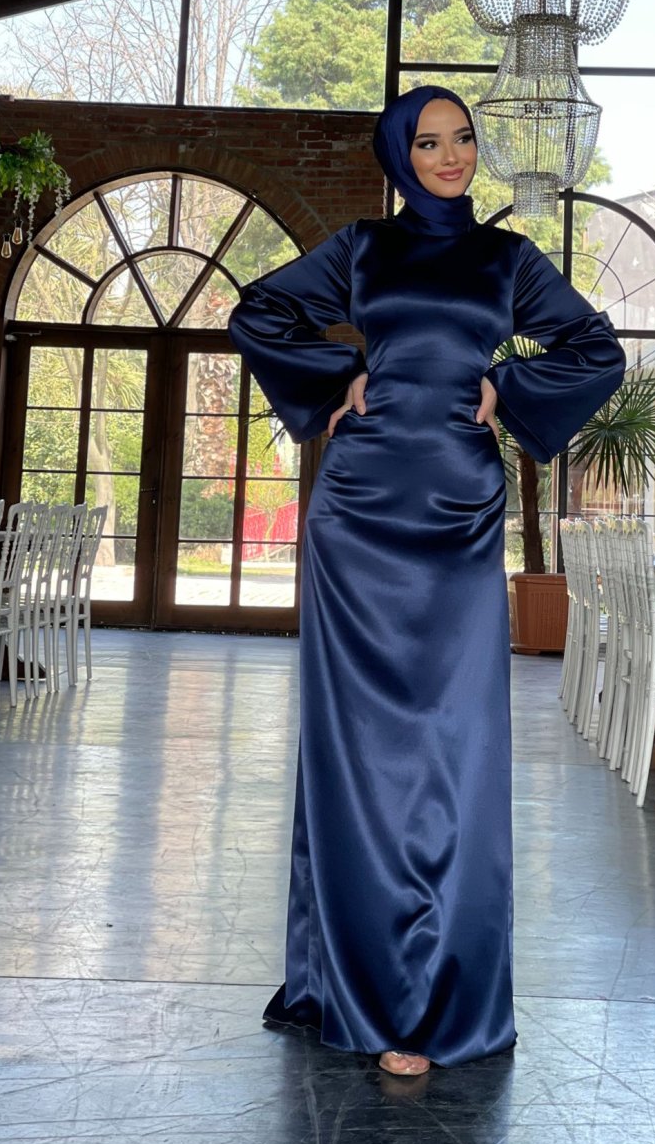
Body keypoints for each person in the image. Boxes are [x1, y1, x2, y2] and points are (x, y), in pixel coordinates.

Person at [228, 85, 625, 1076]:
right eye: (428, 142)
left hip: (457, 511)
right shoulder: (363, 249)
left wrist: (508, 387)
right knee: (355, 750)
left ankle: (439, 993)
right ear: (398, 156)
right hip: (358, 511)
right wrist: (336, 381)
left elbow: (595, 348)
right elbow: (258, 310)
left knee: (455, 747)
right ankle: (352, 983)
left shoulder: (508, 260)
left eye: (463, 139)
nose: (450, 156)